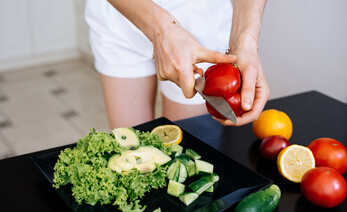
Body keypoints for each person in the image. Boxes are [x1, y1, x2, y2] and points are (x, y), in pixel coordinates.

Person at [85, 0, 270, 129]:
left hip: (201, 18)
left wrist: (246, 41)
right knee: (130, 149)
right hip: (120, 13)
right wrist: (161, 29)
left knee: (189, 150)